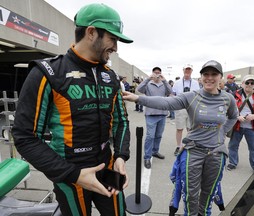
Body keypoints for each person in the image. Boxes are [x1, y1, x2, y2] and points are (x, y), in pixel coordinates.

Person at [12, 3, 132, 216]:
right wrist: (72, 174)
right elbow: (25, 136)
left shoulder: (110, 76)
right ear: (91, 32)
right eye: (112, 39)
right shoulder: (47, 72)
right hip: (70, 174)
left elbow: (122, 121)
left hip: (108, 166)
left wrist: (121, 156)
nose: (116, 46)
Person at [123, 60, 238, 216]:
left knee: (209, 192)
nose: (209, 78)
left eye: (214, 74)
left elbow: (233, 116)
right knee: (190, 193)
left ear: (220, 77)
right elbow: (166, 102)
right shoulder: (191, 96)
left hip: (216, 153)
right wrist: (138, 99)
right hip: (194, 152)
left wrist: (222, 131)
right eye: (206, 74)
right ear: (201, 77)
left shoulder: (228, 98)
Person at [227, 75, 254, 172]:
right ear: (242, 84)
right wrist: (237, 116)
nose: (249, 85)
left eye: (252, 83)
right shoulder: (234, 94)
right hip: (237, 126)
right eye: (247, 82)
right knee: (233, 146)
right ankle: (232, 163)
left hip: (252, 127)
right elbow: (228, 109)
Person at [136, 67, 172, 169]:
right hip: (151, 114)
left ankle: (155, 151)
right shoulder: (148, 84)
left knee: (158, 135)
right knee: (150, 136)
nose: (157, 74)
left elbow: (170, 91)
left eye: (158, 73)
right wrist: (148, 79)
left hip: (162, 113)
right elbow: (139, 89)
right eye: (155, 73)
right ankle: (147, 157)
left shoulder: (163, 84)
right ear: (152, 73)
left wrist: (164, 80)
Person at [172, 64, 200, 156]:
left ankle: (188, 145)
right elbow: (173, 94)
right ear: (183, 70)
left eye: (189, 70)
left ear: (192, 71)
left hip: (191, 108)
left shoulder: (195, 83)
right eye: (186, 70)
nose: (187, 71)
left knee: (190, 129)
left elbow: (198, 96)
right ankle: (178, 146)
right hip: (180, 108)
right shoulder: (177, 83)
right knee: (179, 128)